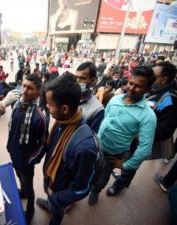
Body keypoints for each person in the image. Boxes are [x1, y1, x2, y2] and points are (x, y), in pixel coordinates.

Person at [36, 73, 99, 225]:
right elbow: (50, 146)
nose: (47, 107)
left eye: (50, 105)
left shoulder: (84, 147)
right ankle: (51, 204)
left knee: (56, 211)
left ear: (64, 108)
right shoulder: (62, 121)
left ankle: (55, 213)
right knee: (52, 203)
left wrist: (57, 197)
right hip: (51, 182)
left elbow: (81, 188)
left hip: (59, 191)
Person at [88, 66, 157, 205]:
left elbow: (145, 148)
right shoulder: (115, 99)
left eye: (138, 86)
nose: (131, 88)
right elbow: (105, 120)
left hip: (113, 155)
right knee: (89, 171)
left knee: (102, 177)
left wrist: (127, 165)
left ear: (148, 89)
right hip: (97, 146)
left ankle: (95, 191)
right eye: (131, 83)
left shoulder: (148, 116)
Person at [7, 74, 47, 224]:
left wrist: (31, 159)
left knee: (29, 186)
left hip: (26, 160)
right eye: (23, 86)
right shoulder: (17, 105)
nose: (24, 90)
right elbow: (12, 128)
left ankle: (30, 209)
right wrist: (9, 146)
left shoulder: (39, 117)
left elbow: (43, 143)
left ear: (37, 93)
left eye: (30, 88)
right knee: (20, 178)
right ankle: (22, 192)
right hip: (14, 154)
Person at [146, 61, 177, 161]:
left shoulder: (170, 100)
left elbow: (166, 130)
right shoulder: (152, 91)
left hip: (145, 142)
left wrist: (139, 134)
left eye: (153, 76)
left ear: (163, 79)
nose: (149, 78)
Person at [75, 62, 104, 133]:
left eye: (82, 78)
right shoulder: (67, 97)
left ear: (92, 80)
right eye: (76, 77)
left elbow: (90, 137)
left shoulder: (97, 109)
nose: (77, 81)